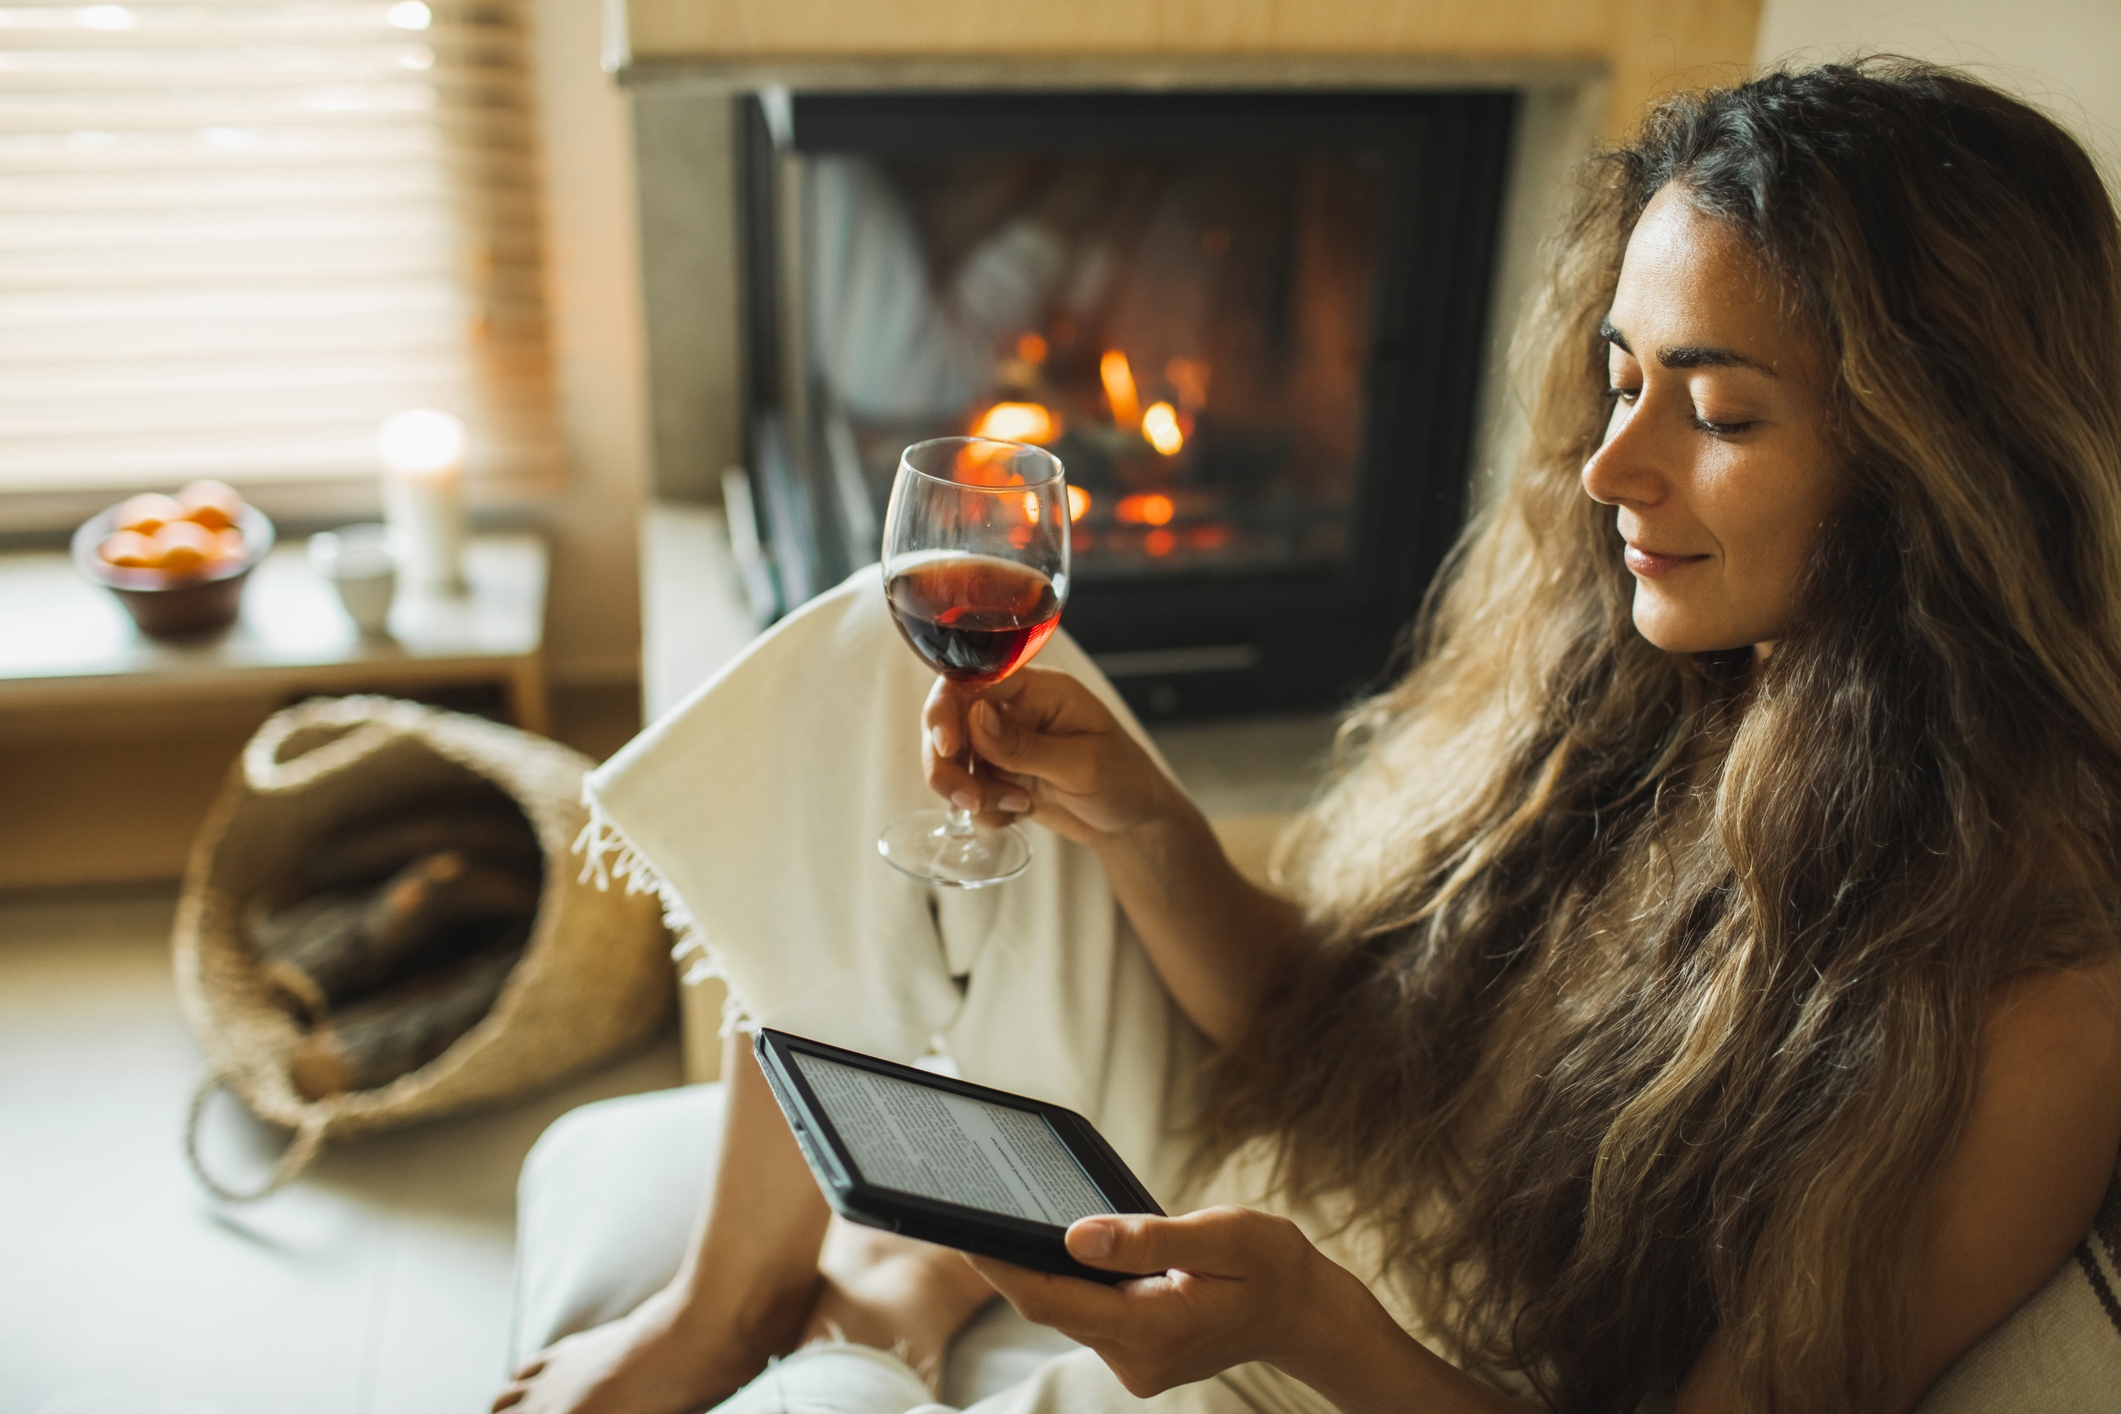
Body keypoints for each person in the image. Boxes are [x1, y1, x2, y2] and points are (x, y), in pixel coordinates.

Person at [496, 58, 2121, 1414]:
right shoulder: (1653, 676)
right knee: (888, 625)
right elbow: (1337, 1032)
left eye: (1717, 414)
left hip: (1375, 1356)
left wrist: (1313, 1327)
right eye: (1618, 378)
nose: (1607, 467)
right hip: (1292, 1167)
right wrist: (1139, 820)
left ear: (1941, 460)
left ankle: (886, 1307)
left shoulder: (2031, 998)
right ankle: (725, 1303)